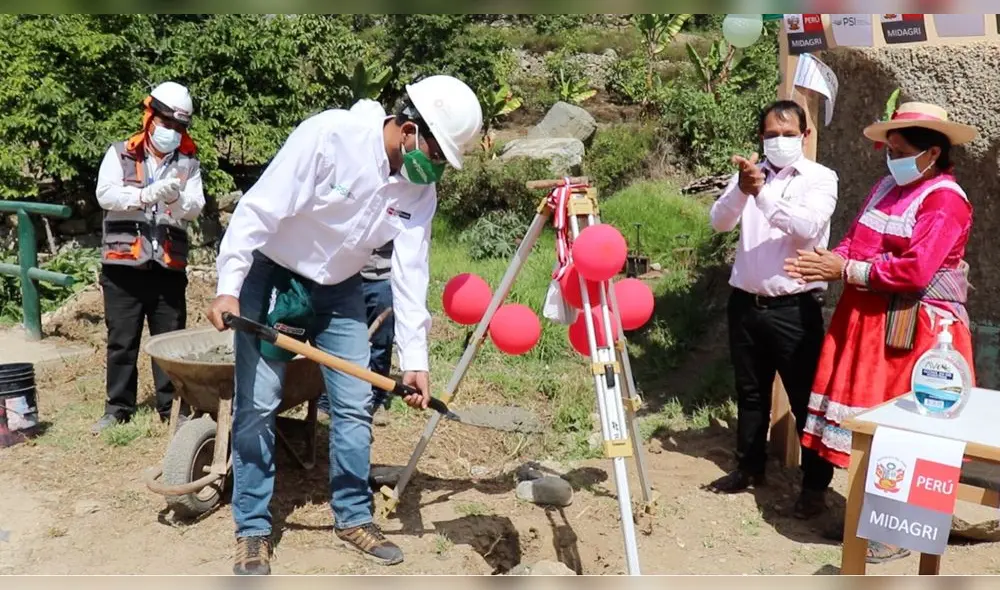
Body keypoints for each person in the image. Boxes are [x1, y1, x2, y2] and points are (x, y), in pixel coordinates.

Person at [207, 75, 483, 575]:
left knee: (355, 404)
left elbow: (411, 272)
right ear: (408, 129)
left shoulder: (419, 191)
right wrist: (230, 285)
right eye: (438, 153)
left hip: (339, 290)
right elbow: (258, 210)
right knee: (259, 404)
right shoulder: (330, 137)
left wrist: (415, 360)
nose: (438, 167)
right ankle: (252, 528)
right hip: (273, 274)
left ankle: (354, 517)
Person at [785, 101, 977, 563]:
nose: (891, 159)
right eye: (889, 150)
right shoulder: (886, 188)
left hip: (915, 330)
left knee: (906, 425)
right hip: (870, 324)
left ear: (932, 153)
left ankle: (897, 531)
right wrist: (831, 260)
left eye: (901, 151)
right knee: (872, 427)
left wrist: (846, 270)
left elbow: (916, 270)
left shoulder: (945, 200)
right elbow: (857, 239)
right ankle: (869, 519)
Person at [706, 100, 839, 516]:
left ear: (805, 135)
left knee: (805, 400)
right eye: (770, 134)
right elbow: (719, 222)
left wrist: (761, 194)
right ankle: (749, 467)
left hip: (794, 309)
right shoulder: (748, 176)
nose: (779, 141)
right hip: (746, 303)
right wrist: (741, 190)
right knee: (750, 393)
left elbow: (806, 227)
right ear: (761, 137)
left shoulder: (820, 178)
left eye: (787, 134)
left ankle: (814, 488)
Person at [92, 81, 204, 433]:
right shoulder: (121, 153)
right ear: (150, 117)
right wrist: (144, 195)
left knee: (169, 341)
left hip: (167, 266)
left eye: (178, 126)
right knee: (122, 340)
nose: (171, 131)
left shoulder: (188, 162)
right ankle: (118, 408)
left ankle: (172, 408)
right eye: (165, 123)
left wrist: (175, 199)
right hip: (123, 266)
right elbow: (105, 194)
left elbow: (195, 207)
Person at [318, 242, 395, 426]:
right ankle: (326, 399)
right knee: (333, 339)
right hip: (341, 271)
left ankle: (376, 399)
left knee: (381, 341)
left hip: (381, 274)